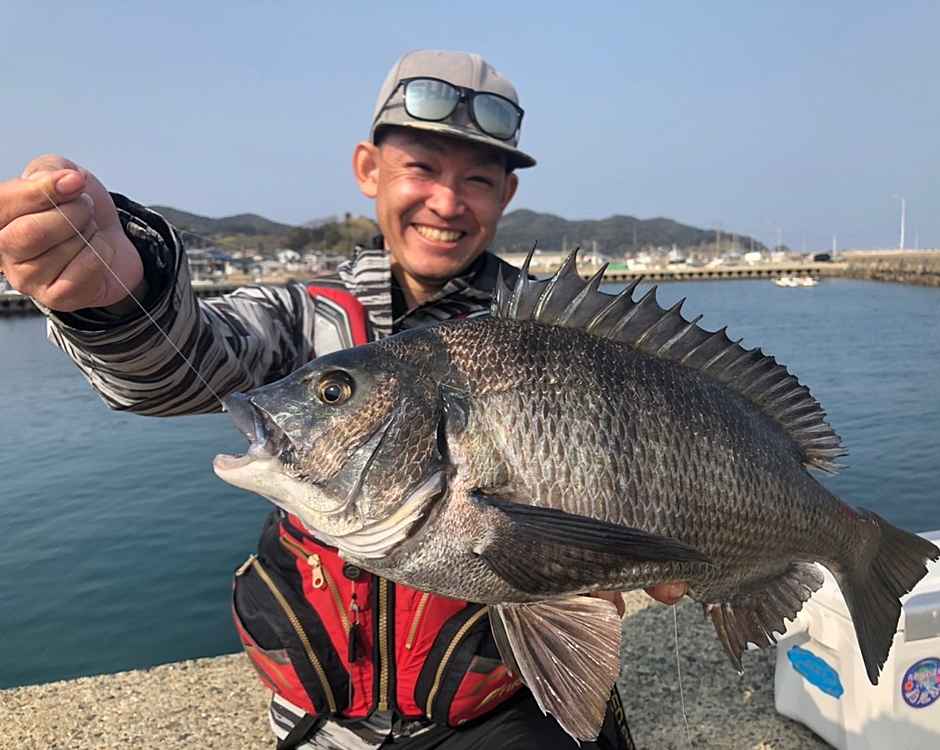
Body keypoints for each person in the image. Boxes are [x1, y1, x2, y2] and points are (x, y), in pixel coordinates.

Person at [0, 49, 688, 749]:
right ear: (369, 168)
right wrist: (118, 301)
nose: (447, 203)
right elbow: (178, 369)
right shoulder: (303, 319)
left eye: (478, 179)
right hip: (322, 724)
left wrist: (680, 544)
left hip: (502, 710)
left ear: (506, 195)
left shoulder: (554, 331)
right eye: (422, 168)